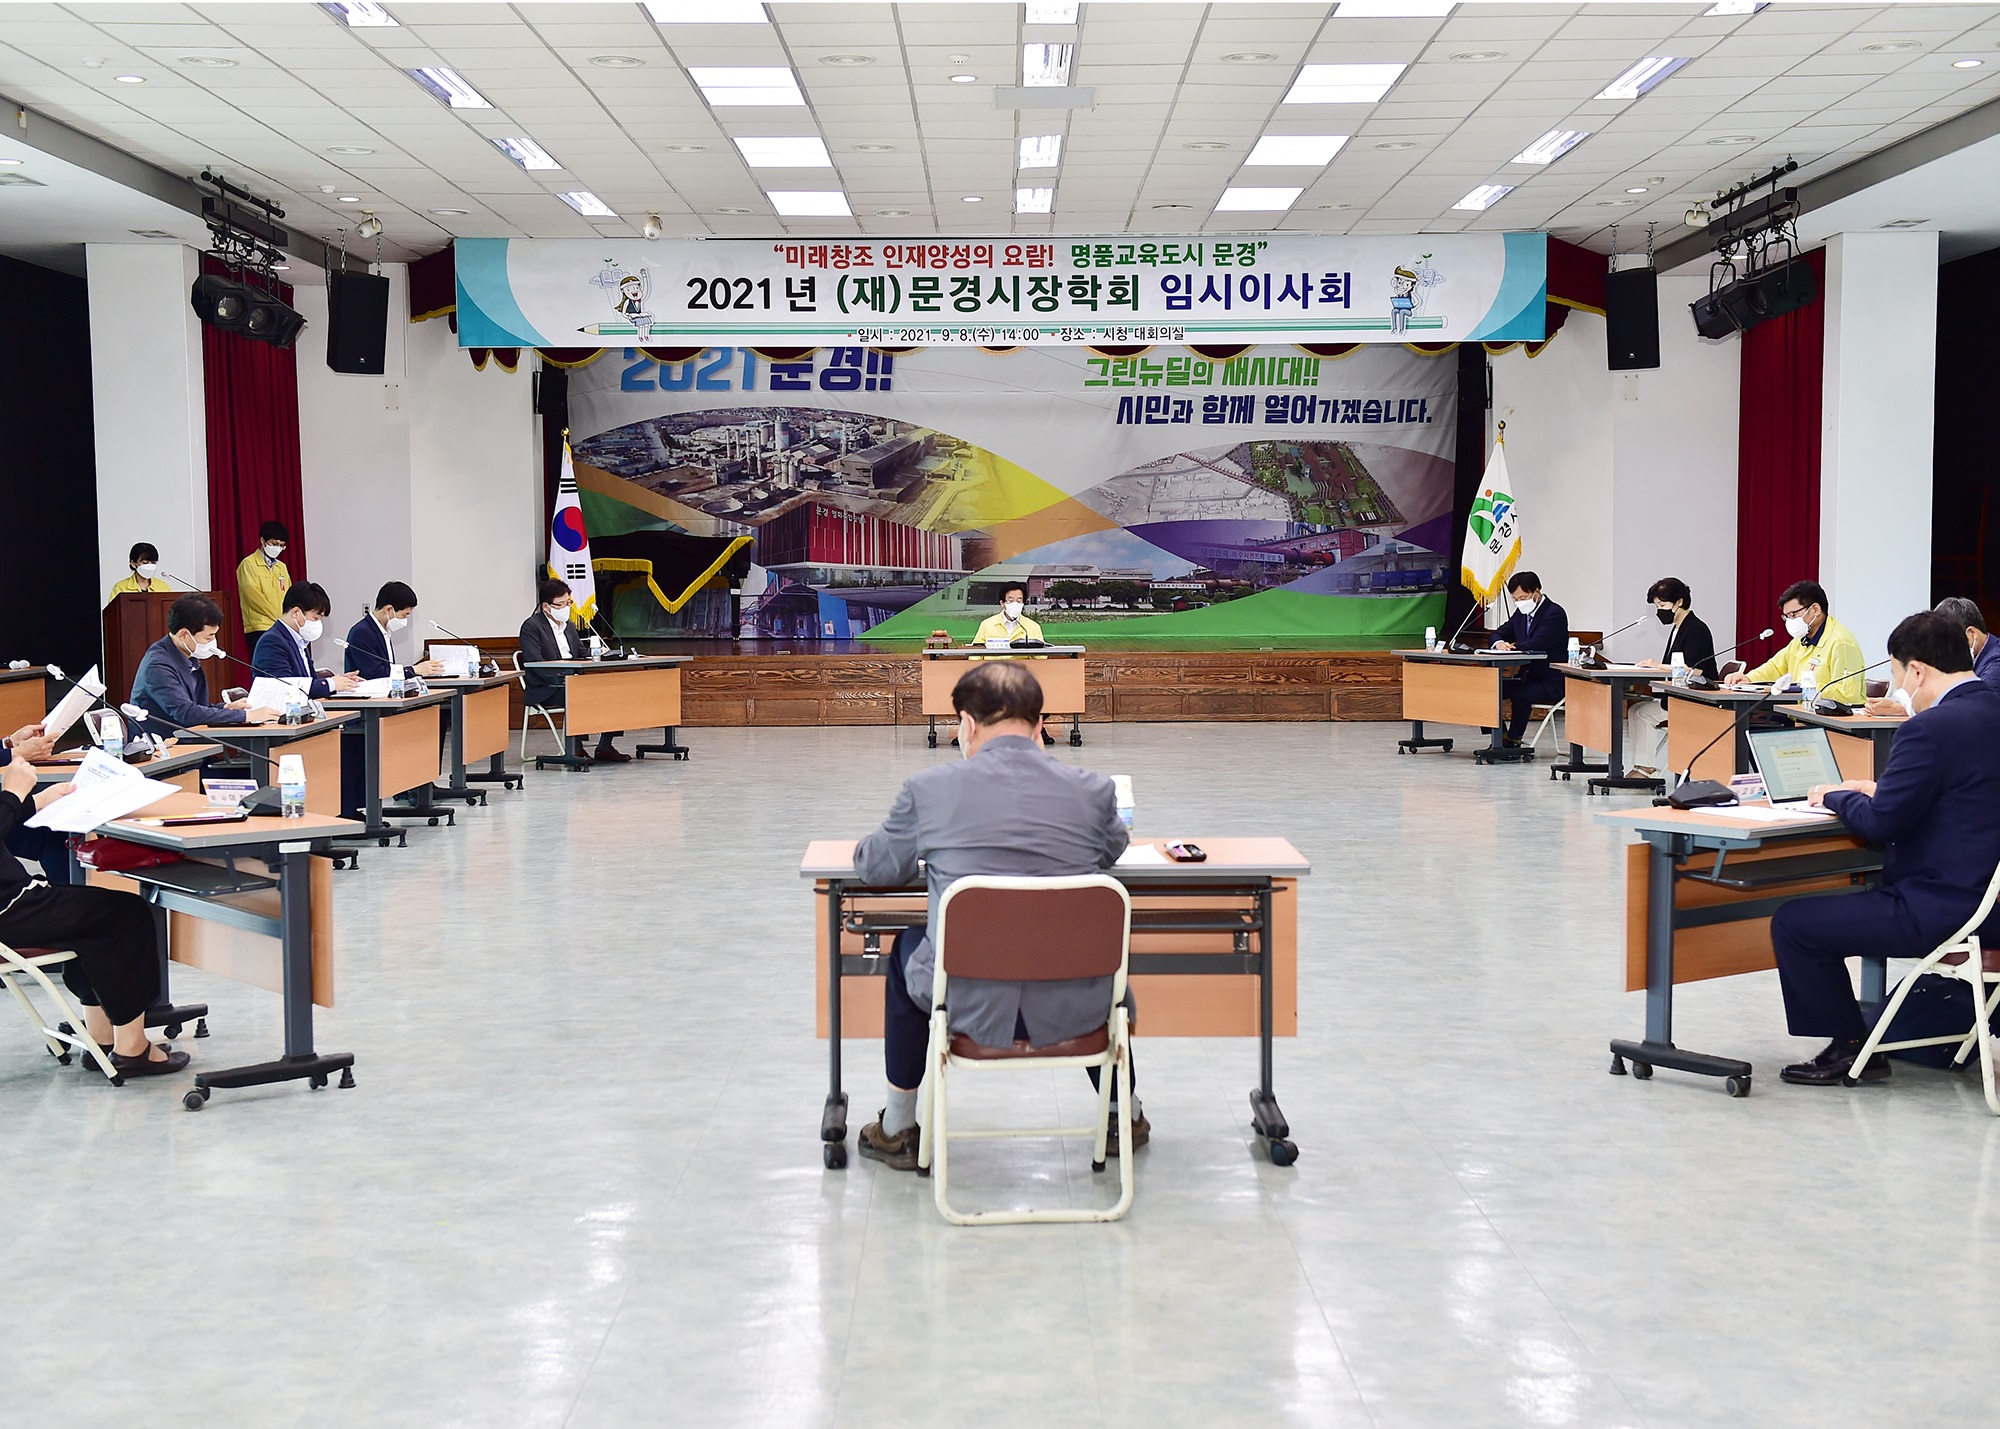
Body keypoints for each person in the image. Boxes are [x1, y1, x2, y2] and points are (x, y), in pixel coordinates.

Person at [852, 660, 1141, 1171]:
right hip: (1080, 1001)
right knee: (1091, 953)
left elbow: (876, 868)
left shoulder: (928, 790)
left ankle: (897, 1128)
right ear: (1041, 723)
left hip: (965, 1000)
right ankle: (1123, 1116)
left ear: (965, 724)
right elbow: (1112, 850)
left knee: (907, 948)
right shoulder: (1094, 790)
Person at [1770, 611, 2000, 1086]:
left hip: (1942, 907)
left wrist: (1836, 796)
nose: (1897, 686)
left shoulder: (1929, 728)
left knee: (1794, 924)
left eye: (1897, 674)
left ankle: (1851, 1048)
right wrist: (1880, 790)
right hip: (1991, 906)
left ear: (1917, 670)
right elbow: (1966, 795)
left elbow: (1879, 825)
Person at [0, 737, 190, 1076]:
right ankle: (132, 1049)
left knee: (86, 916)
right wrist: (13, 795)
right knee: (124, 915)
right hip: (10, 908)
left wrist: (37, 801)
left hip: (13, 900)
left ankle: (100, 1039)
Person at [130, 595, 280, 730]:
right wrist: (247, 716)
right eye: (208, 637)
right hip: (163, 745)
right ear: (184, 635)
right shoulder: (157, 665)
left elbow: (198, 708)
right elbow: (186, 713)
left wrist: (226, 707)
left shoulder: (187, 654)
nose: (213, 642)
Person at [518, 578, 626, 763]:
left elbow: (581, 653)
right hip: (546, 687)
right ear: (546, 606)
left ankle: (605, 746)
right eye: (561, 604)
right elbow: (535, 662)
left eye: (568, 602)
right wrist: (563, 679)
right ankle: (575, 748)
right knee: (579, 693)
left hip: (574, 682)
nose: (566, 607)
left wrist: (599, 653)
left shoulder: (569, 625)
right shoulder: (532, 627)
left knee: (612, 691)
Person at [1625, 577, 1719, 776]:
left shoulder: (1696, 629)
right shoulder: (1678, 627)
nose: (1659, 610)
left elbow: (1695, 671)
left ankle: (1646, 769)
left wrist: (1657, 666)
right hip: (1679, 695)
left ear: (1679, 602)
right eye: (1656, 606)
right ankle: (1641, 766)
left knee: (1642, 714)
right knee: (1635, 710)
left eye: (1662, 605)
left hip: (1696, 699)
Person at [1724, 579, 1864, 704]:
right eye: (1787, 617)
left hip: (1826, 717)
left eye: (1793, 614)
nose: (1790, 621)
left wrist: (1806, 687)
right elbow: (1775, 667)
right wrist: (1749, 679)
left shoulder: (1841, 642)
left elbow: (1847, 695)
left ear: (1815, 609)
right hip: (1800, 711)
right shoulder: (1801, 639)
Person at [1488, 571, 1567, 745]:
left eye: (1523, 597)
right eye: (1515, 599)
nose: (1520, 603)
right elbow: (1499, 633)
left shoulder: (1554, 613)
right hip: (1527, 677)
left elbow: (1537, 643)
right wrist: (1499, 643)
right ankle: (1499, 737)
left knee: (1521, 694)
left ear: (1536, 592)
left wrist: (1511, 648)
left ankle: (1513, 740)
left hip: (1551, 679)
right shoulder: (1521, 614)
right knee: (1488, 690)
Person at [252, 582, 361, 700]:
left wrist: (341, 682)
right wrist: (331, 683)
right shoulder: (272, 642)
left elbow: (307, 682)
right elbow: (286, 688)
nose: (318, 623)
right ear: (296, 613)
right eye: (315, 618)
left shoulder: (298, 640)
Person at [343, 581, 445, 683]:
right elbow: (375, 674)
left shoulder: (383, 630)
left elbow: (388, 669)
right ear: (389, 609)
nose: (405, 619)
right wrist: (414, 670)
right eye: (404, 615)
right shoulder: (362, 633)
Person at [235, 521, 293, 646]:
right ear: (262, 540)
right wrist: (280, 618)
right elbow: (253, 597)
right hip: (259, 626)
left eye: (281, 545)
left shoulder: (281, 567)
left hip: (282, 626)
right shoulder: (248, 564)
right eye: (274, 544)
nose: (278, 548)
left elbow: (289, 595)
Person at [972, 583, 1043, 645]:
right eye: (1011, 600)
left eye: (1019, 601)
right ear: (1002, 603)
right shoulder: (987, 625)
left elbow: (1041, 654)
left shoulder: (1033, 627)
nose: (1015, 604)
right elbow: (976, 652)